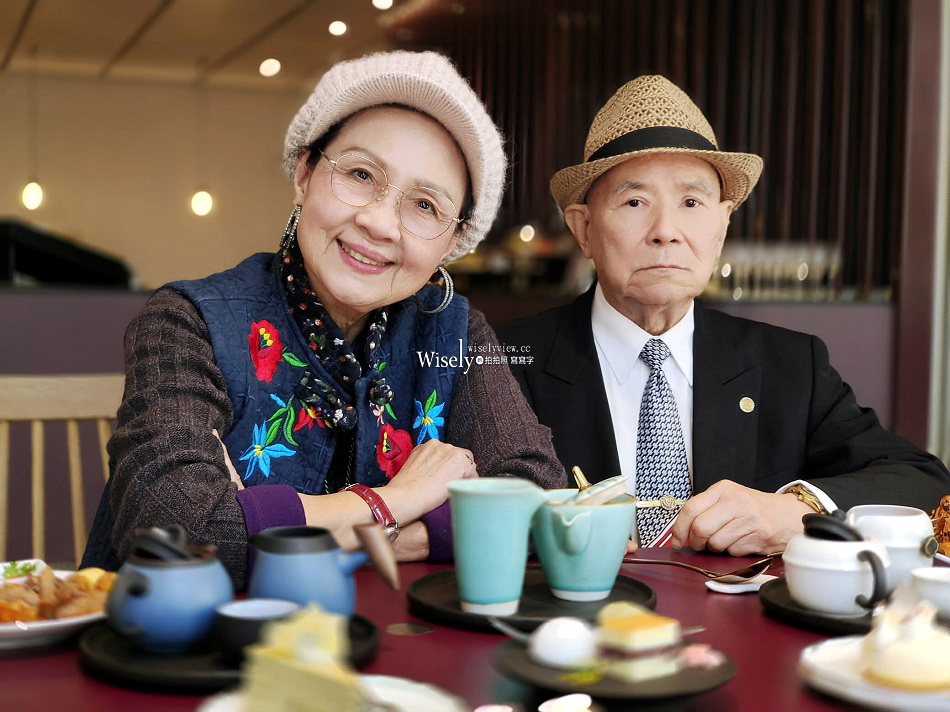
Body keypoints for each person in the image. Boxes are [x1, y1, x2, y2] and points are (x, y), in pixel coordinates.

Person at [82, 51, 566, 586]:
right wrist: (397, 500)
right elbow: (172, 529)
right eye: (361, 174)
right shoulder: (187, 322)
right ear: (305, 175)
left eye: (425, 206)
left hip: (377, 654)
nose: (381, 222)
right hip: (185, 654)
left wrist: (290, 526)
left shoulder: (453, 331)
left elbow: (537, 500)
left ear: (452, 243)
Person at [499, 75, 950, 555]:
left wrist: (796, 511)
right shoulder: (507, 362)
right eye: (635, 202)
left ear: (722, 225)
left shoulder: (790, 364)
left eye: (691, 203)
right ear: (584, 229)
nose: (665, 231)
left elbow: (922, 481)